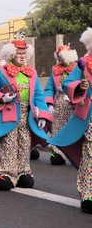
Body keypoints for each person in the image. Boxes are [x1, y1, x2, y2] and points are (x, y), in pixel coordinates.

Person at [0, 35, 52, 190]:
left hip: (27, 115)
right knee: (7, 144)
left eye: (23, 53)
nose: (22, 56)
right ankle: (5, 173)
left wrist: (42, 114)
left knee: (24, 143)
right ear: (11, 54)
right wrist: (3, 98)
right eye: (19, 53)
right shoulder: (1, 72)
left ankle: (22, 172)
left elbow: (38, 95)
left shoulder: (31, 72)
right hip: (8, 113)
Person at [49, 27, 92, 214]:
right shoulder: (84, 64)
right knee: (90, 156)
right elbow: (67, 84)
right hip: (89, 115)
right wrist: (79, 85)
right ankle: (88, 195)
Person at [44, 44, 78, 165]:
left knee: (75, 129)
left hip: (75, 104)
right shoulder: (55, 70)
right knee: (57, 128)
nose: (59, 59)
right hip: (58, 105)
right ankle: (57, 152)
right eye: (58, 56)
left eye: (61, 56)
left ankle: (77, 152)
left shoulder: (78, 69)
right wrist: (49, 104)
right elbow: (48, 89)